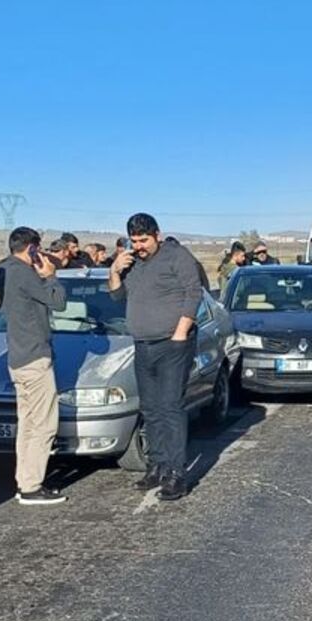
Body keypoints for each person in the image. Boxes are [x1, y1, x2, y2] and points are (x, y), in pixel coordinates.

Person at [109, 213, 203, 501]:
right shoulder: (131, 263)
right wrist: (114, 271)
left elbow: (193, 293)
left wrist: (180, 332)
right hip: (143, 344)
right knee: (150, 408)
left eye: (144, 240)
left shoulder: (177, 256)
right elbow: (116, 297)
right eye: (134, 241)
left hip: (172, 343)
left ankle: (176, 474)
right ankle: (157, 466)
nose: (139, 246)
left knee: (170, 407)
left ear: (157, 235)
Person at [0, 227, 68, 505]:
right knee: (44, 424)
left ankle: (24, 480)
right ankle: (32, 485)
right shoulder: (24, 274)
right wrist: (50, 276)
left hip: (17, 356)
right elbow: (58, 302)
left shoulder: (3, 271)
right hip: (35, 356)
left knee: (27, 423)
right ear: (31, 248)